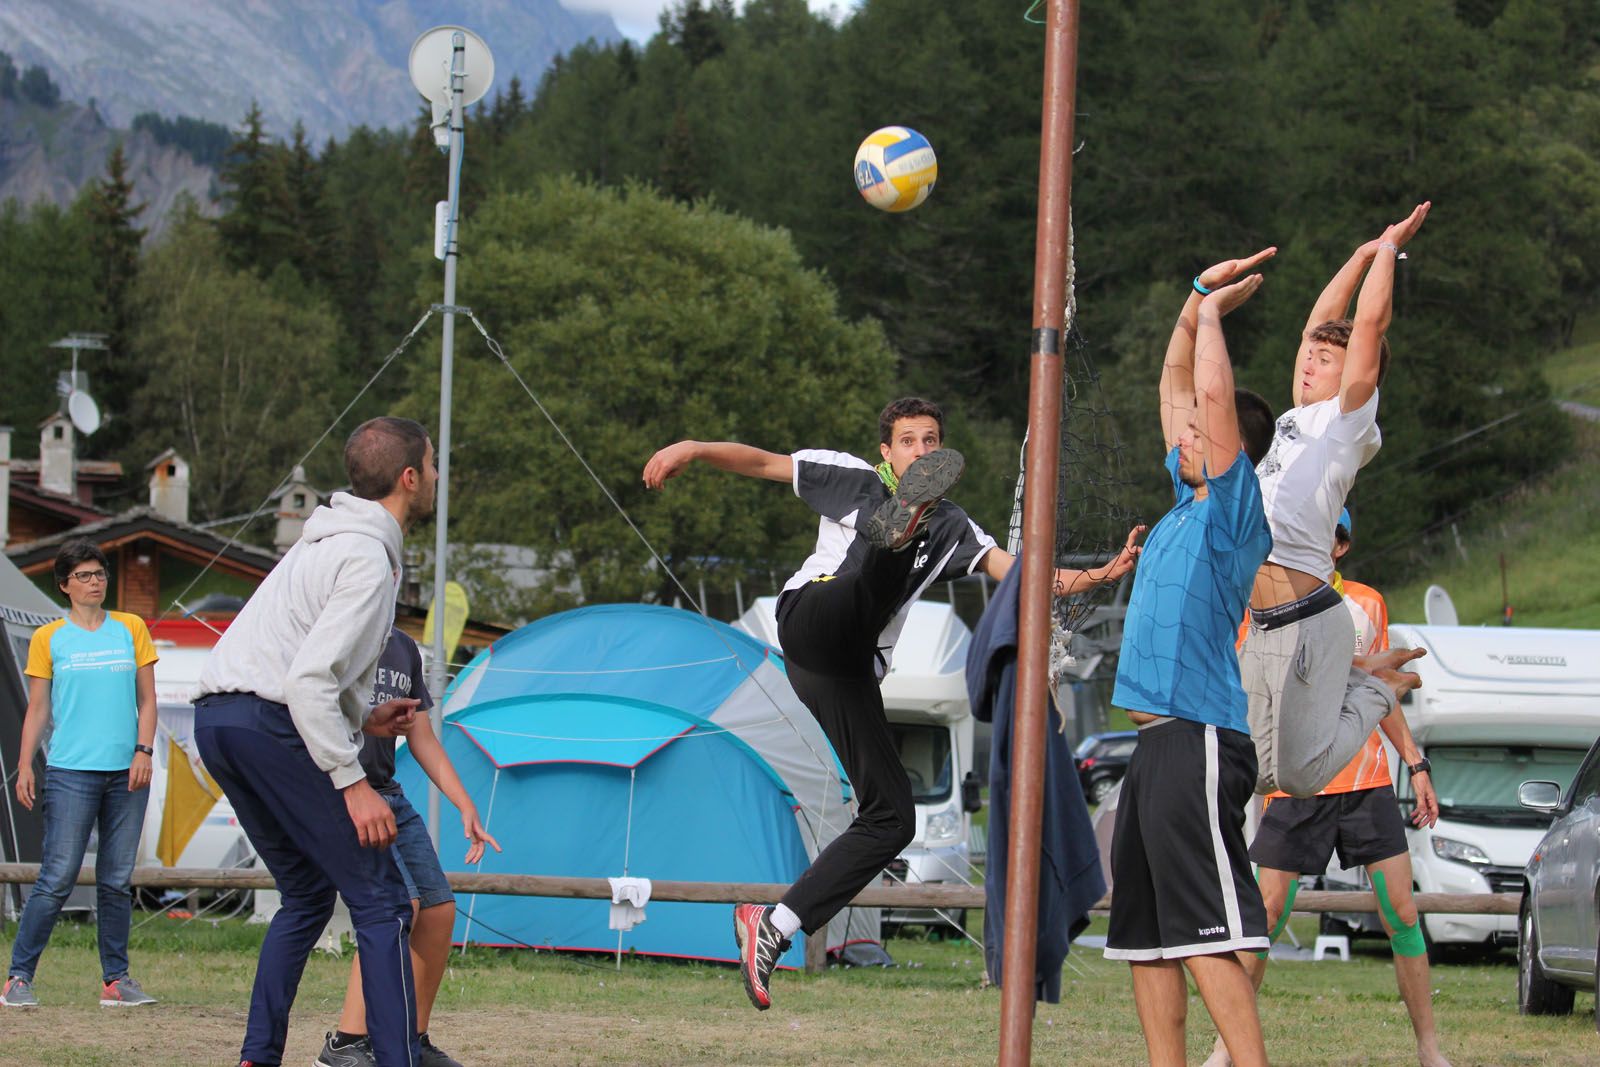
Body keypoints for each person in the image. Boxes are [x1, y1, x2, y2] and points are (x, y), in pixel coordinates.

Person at [643, 397, 1140, 1011]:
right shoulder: (845, 475)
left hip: (847, 674)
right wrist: (693, 448)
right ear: (887, 452)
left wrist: (1101, 575)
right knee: (864, 579)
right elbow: (764, 464)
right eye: (910, 442)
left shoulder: (957, 527)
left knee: (893, 819)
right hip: (813, 620)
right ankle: (893, 534)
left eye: (932, 441)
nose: (922, 450)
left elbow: (1022, 574)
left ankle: (772, 924)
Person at [193, 416, 437, 1067]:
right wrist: (354, 783)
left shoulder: (322, 542)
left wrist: (363, 717)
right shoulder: (364, 555)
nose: (439, 477)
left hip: (218, 720)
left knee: (304, 894)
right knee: (383, 899)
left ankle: (257, 1057)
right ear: (410, 478)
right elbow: (304, 683)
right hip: (267, 721)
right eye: (434, 465)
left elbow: (300, 668)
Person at [1103, 251, 1280, 1067]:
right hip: (1155, 746)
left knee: (1212, 930)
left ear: (1231, 445)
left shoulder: (1235, 513)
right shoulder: (1185, 500)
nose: (1183, 433)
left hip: (1200, 738)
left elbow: (1208, 392)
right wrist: (1195, 297)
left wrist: (1213, 323)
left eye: (1200, 432)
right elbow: (1178, 385)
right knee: (1147, 940)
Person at [1205, 511, 1451, 1067]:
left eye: (1330, 536)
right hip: (1296, 782)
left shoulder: (1368, 603)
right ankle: (1225, 1049)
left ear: (1339, 547)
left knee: (1403, 914)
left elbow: (1379, 691)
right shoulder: (1265, 598)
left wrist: (1415, 762)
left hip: (1364, 782)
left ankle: (1429, 1049)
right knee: (1266, 916)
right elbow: (1255, 686)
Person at [1241, 203, 1431, 798]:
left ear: (1356, 376)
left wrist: (1387, 253)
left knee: (1298, 777)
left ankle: (1375, 689)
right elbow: (1320, 323)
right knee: (1255, 772)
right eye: (1307, 356)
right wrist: (1357, 254)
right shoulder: (1296, 417)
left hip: (1307, 615)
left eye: (1325, 359)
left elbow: (1367, 327)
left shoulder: (1347, 423)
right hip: (1263, 619)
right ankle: (1356, 676)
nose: (1308, 361)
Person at [317, 625, 500, 1067]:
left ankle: (412, 1039)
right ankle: (345, 1043)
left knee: (438, 908)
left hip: (390, 793)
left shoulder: (404, 650)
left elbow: (421, 737)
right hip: (345, 791)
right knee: (398, 907)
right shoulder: (335, 633)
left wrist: (465, 805)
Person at [3, 540, 159, 1009]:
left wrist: (144, 750)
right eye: (85, 576)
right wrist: (24, 762)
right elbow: (37, 707)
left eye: (100, 574)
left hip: (126, 774)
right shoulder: (49, 637)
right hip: (70, 771)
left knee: (116, 880)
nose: (96, 582)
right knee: (56, 877)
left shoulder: (131, 628)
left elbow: (148, 700)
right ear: (65, 585)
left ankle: (116, 980)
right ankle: (18, 979)